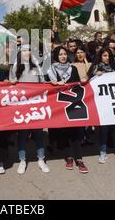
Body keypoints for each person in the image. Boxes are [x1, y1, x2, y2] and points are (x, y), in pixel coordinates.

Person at [9, 45, 50, 174]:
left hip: (36, 105)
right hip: (21, 107)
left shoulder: (37, 66)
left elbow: (43, 83)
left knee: (39, 134)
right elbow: (10, 85)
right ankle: (22, 160)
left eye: (29, 50)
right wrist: (12, 81)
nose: (27, 52)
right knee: (22, 135)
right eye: (24, 50)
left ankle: (41, 159)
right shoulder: (15, 67)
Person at [47, 46, 88, 174]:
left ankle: (79, 159)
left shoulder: (73, 68)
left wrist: (82, 82)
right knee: (63, 132)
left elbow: (77, 85)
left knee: (76, 132)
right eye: (60, 55)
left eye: (65, 54)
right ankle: (69, 157)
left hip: (73, 104)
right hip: (59, 105)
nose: (63, 56)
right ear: (56, 57)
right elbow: (45, 85)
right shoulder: (51, 70)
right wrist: (52, 82)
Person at [89, 48, 115, 167]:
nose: (107, 57)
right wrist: (96, 76)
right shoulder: (96, 68)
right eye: (104, 55)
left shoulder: (114, 68)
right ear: (100, 56)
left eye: (108, 55)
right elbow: (90, 83)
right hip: (103, 104)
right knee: (104, 130)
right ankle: (102, 152)